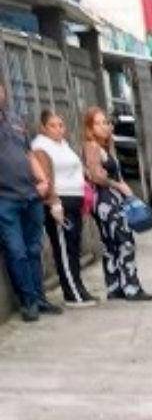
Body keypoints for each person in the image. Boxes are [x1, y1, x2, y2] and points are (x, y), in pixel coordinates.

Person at [0, 83, 62, 321]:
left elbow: (29, 155)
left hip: (32, 195)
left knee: (34, 249)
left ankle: (40, 298)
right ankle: (28, 302)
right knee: (16, 251)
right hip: (6, 199)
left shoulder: (15, 120)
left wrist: (43, 180)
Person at [82, 107, 152, 302]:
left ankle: (115, 287)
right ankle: (130, 287)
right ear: (90, 127)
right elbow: (96, 176)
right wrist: (119, 186)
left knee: (112, 244)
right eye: (98, 123)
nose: (105, 126)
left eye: (106, 122)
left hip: (110, 199)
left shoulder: (104, 146)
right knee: (125, 241)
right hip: (106, 200)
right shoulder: (92, 147)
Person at [32, 110, 95, 307]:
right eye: (53, 125)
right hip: (60, 202)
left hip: (75, 200)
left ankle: (79, 287)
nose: (59, 129)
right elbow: (45, 177)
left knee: (74, 246)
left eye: (61, 125)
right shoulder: (41, 146)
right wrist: (54, 202)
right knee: (64, 248)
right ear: (43, 127)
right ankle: (72, 294)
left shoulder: (64, 145)